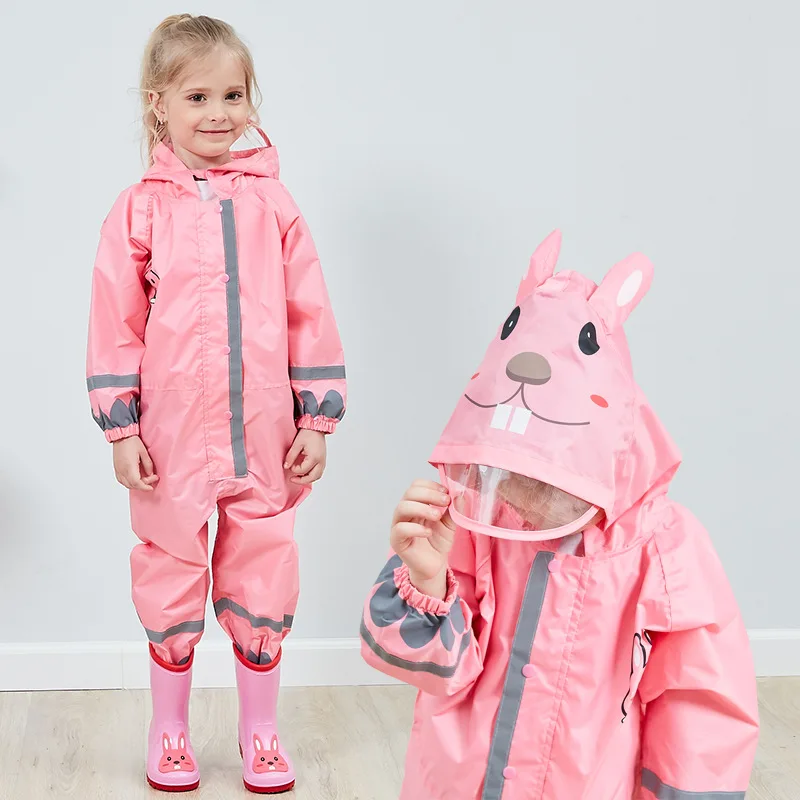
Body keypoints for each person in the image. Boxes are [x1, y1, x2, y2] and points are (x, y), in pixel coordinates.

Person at [360, 231, 759, 799]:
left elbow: (699, 703)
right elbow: (430, 670)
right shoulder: (472, 520)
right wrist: (426, 580)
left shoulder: (663, 547)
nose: (522, 490)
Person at [86, 14, 346, 793]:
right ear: (159, 104)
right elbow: (115, 322)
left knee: (265, 568)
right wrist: (122, 429)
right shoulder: (139, 210)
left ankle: (260, 730)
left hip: (264, 431)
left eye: (233, 95)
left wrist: (317, 416)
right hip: (169, 436)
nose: (218, 112)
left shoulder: (274, 205)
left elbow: (309, 311)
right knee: (169, 566)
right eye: (197, 96)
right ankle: (169, 730)